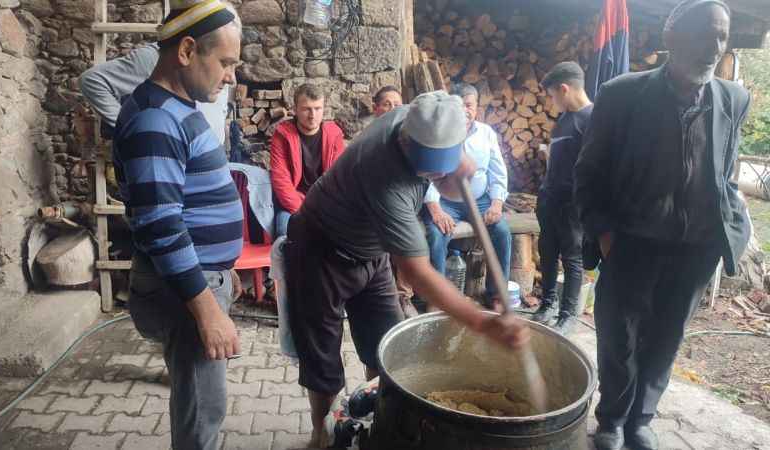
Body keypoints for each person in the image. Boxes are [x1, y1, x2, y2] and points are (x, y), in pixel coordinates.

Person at [284, 90, 530, 448]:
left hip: (371, 250)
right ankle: (321, 431)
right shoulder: (385, 175)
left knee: (387, 346)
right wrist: (483, 322)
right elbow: (417, 273)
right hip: (320, 250)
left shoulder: (421, 118)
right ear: (405, 140)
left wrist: (456, 164)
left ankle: (379, 420)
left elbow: (446, 171)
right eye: (428, 166)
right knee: (323, 361)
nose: (435, 174)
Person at [574, 2, 751, 449]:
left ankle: (641, 420)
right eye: (703, 35)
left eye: (722, 36)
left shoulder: (733, 98)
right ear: (672, 39)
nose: (714, 48)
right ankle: (612, 419)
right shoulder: (622, 93)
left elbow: (725, 173)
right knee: (621, 339)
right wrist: (606, 234)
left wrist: (732, 230)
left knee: (667, 339)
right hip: (632, 242)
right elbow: (588, 173)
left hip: (695, 248)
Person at [112, 2, 243, 449]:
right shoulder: (155, 120)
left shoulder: (173, 107)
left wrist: (224, 271)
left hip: (202, 278)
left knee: (201, 401)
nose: (230, 76)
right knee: (201, 412)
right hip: (187, 292)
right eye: (225, 62)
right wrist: (207, 307)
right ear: (187, 50)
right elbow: (161, 225)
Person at [423, 83, 512, 309]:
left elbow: (497, 171)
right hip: (446, 201)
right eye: (460, 105)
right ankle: (438, 297)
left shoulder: (486, 133)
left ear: (477, 107)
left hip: (480, 200)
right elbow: (429, 176)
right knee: (435, 233)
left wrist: (497, 203)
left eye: (470, 105)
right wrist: (436, 209)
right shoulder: (438, 132)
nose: (466, 110)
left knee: (501, 231)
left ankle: (495, 294)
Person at [531, 62, 593, 335]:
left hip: (572, 205)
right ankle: (547, 304)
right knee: (547, 253)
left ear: (564, 89)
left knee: (571, 257)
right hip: (549, 199)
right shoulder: (564, 120)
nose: (552, 101)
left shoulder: (593, 119)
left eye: (553, 95)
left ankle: (568, 314)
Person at [80, 37, 230, 145]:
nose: (232, 79)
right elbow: (92, 81)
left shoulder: (220, 57)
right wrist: (133, 130)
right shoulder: (155, 58)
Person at [270, 83, 345, 237]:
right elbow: (280, 180)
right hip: (292, 204)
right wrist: (305, 213)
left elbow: (338, 178)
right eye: (306, 109)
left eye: (318, 109)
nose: (312, 115)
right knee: (285, 233)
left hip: (325, 203)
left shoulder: (334, 134)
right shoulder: (282, 135)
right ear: (295, 109)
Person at [370, 85, 417, 318]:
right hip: (373, 207)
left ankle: (403, 296)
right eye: (387, 104)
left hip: (402, 206)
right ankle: (380, 295)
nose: (393, 109)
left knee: (411, 231)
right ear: (376, 109)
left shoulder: (408, 140)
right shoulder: (367, 139)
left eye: (397, 104)